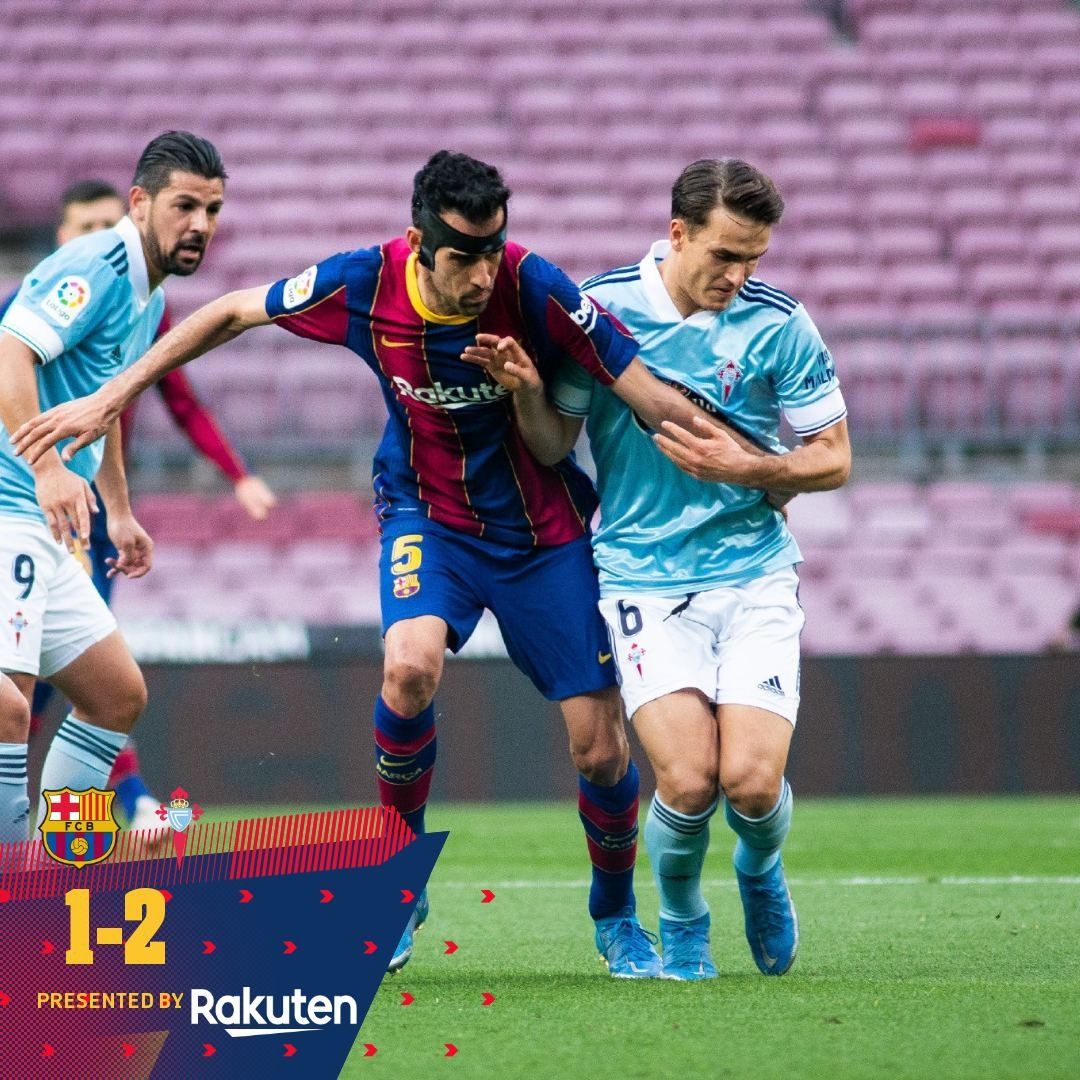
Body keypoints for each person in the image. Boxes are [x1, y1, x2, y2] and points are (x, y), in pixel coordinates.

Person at [12, 151, 772, 978]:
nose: (482, 275)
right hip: (427, 519)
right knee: (407, 669)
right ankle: (397, 883)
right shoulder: (364, 282)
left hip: (540, 533)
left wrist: (756, 469)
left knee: (600, 749)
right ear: (418, 243)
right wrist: (111, 398)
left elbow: (645, 390)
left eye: (492, 252)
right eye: (463, 257)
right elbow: (231, 312)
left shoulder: (537, 286)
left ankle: (616, 916)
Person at [463, 158, 851, 979]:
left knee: (751, 785)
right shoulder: (598, 312)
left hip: (752, 573)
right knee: (688, 780)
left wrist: (750, 468)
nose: (738, 275)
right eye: (724, 255)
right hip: (642, 576)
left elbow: (834, 458)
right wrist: (528, 390)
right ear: (678, 233)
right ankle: (682, 919)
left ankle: (759, 869)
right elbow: (551, 446)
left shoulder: (780, 322)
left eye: (754, 258)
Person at [0, 179, 276, 832]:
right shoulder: (88, 271)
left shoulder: (146, 299)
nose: (200, 223)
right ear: (141, 203)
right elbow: (8, 352)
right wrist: (46, 468)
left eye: (212, 210)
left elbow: (106, 406)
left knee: (116, 695)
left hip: (54, 521)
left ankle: (59, 858)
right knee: (12, 709)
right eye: (186, 206)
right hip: (14, 508)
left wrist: (118, 509)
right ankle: (15, 880)